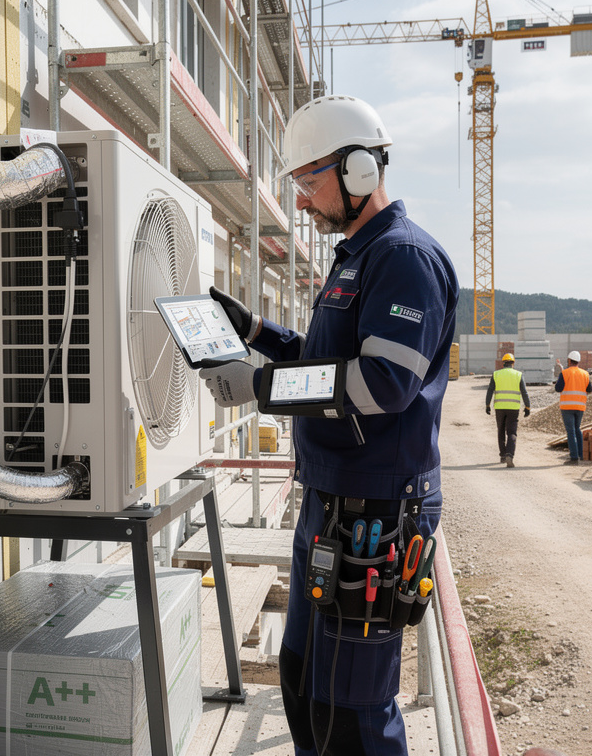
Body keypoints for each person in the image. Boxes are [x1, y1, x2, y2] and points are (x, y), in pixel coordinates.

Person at [196, 94, 458, 756]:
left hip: (373, 510)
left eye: (308, 182)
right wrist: (252, 331)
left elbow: (380, 384)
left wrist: (256, 387)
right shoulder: (356, 256)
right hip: (330, 501)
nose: (303, 203)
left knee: (353, 716)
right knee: (306, 682)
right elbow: (323, 364)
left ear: (360, 170)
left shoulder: (402, 258)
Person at [485, 352, 530, 467]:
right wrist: (527, 406)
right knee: (511, 432)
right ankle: (510, 454)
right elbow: (524, 392)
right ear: (513, 363)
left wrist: (487, 405)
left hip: (499, 408)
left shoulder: (496, 374)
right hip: (513, 408)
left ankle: (503, 455)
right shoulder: (518, 375)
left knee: (500, 431)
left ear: (503, 363)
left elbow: (490, 390)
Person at [553, 351, 591, 464]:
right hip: (580, 406)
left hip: (567, 406)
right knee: (577, 429)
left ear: (569, 361)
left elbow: (558, 388)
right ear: (578, 361)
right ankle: (581, 454)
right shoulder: (585, 374)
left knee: (571, 431)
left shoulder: (565, 373)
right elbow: (589, 390)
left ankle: (574, 457)